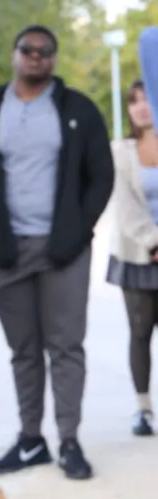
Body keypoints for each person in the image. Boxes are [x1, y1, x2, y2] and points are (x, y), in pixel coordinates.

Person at [0, 25, 114, 481]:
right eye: (27, 49)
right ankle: (31, 440)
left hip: (63, 251)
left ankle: (69, 441)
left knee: (66, 348)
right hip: (9, 253)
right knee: (24, 351)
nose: (35, 56)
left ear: (54, 59)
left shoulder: (78, 109)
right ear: (15, 55)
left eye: (45, 51)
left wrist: (77, 232)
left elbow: (101, 176)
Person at [106, 80, 158, 437]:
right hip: (138, 257)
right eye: (133, 101)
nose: (141, 107)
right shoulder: (120, 152)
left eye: (147, 99)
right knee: (140, 333)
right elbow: (125, 208)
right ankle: (143, 409)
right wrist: (155, 240)